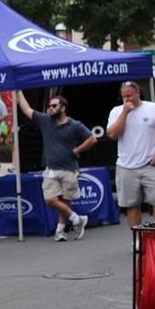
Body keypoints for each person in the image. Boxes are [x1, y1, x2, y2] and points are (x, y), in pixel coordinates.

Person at [16, 92, 97, 241]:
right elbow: (26, 109)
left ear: (63, 108)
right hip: (51, 169)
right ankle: (77, 219)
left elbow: (92, 139)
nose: (50, 109)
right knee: (51, 200)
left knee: (65, 201)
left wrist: (78, 150)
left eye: (54, 106)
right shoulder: (45, 121)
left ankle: (59, 231)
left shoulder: (74, 125)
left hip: (69, 169)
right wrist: (19, 92)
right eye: (49, 106)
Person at [106, 81, 155, 228]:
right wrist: (125, 113)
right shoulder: (116, 112)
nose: (126, 99)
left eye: (129, 96)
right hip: (126, 166)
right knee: (132, 205)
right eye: (123, 97)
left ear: (138, 93)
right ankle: (137, 238)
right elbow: (112, 134)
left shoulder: (153, 108)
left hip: (150, 164)